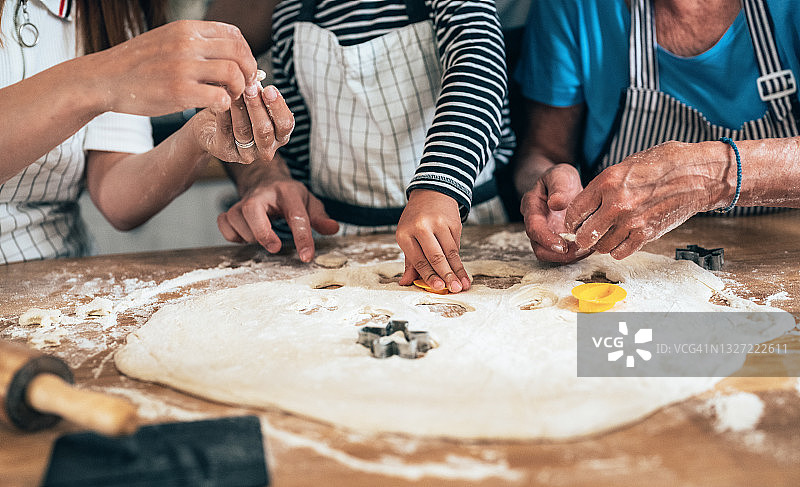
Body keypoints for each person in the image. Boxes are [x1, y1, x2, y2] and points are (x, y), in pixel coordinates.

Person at [214, 0, 515, 294]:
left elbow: (478, 63)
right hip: (339, 239)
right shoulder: (291, 12)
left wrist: (440, 184)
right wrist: (279, 193)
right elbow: (296, 129)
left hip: (463, 228)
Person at [0, 0, 293, 264]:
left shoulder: (107, 8)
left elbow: (117, 197)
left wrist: (197, 137)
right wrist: (100, 77)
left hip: (61, 275)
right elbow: (102, 80)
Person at [514, 0, 800, 264]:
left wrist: (706, 175)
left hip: (779, 260)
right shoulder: (574, 5)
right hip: (624, 268)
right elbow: (542, 153)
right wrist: (553, 194)